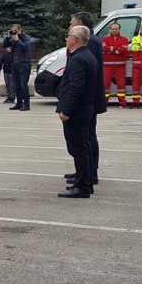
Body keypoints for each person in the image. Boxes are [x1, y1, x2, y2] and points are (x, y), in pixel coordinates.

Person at [57, 26, 97, 198]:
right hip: (85, 109)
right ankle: (85, 182)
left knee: (78, 149)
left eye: (68, 36)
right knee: (83, 147)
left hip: (77, 111)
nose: (66, 39)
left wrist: (67, 110)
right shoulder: (86, 55)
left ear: (74, 39)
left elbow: (76, 88)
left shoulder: (78, 59)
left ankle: (82, 187)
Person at [66, 12, 105, 190]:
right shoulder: (90, 41)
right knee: (84, 137)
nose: (69, 26)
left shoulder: (92, 42)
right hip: (88, 97)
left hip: (89, 98)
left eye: (71, 24)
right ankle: (84, 172)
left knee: (87, 137)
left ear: (79, 24)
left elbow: (89, 73)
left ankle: (90, 173)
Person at [3, 24, 33, 111]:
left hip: (24, 64)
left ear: (20, 30)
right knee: (17, 85)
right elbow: (4, 45)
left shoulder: (25, 38)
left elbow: (25, 47)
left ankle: (27, 104)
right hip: (14, 64)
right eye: (13, 30)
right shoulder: (12, 39)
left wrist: (17, 39)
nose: (14, 32)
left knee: (23, 85)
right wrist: (8, 36)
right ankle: (19, 103)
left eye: (15, 30)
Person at [100, 22, 130, 108]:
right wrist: (117, 49)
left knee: (121, 85)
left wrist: (111, 49)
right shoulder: (105, 39)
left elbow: (123, 50)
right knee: (105, 85)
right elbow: (104, 48)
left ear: (119, 29)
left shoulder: (124, 39)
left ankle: (122, 102)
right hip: (107, 65)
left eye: (116, 29)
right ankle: (104, 102)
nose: (114, 30)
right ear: (110, 29)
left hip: (120, 66)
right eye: (113, 29)